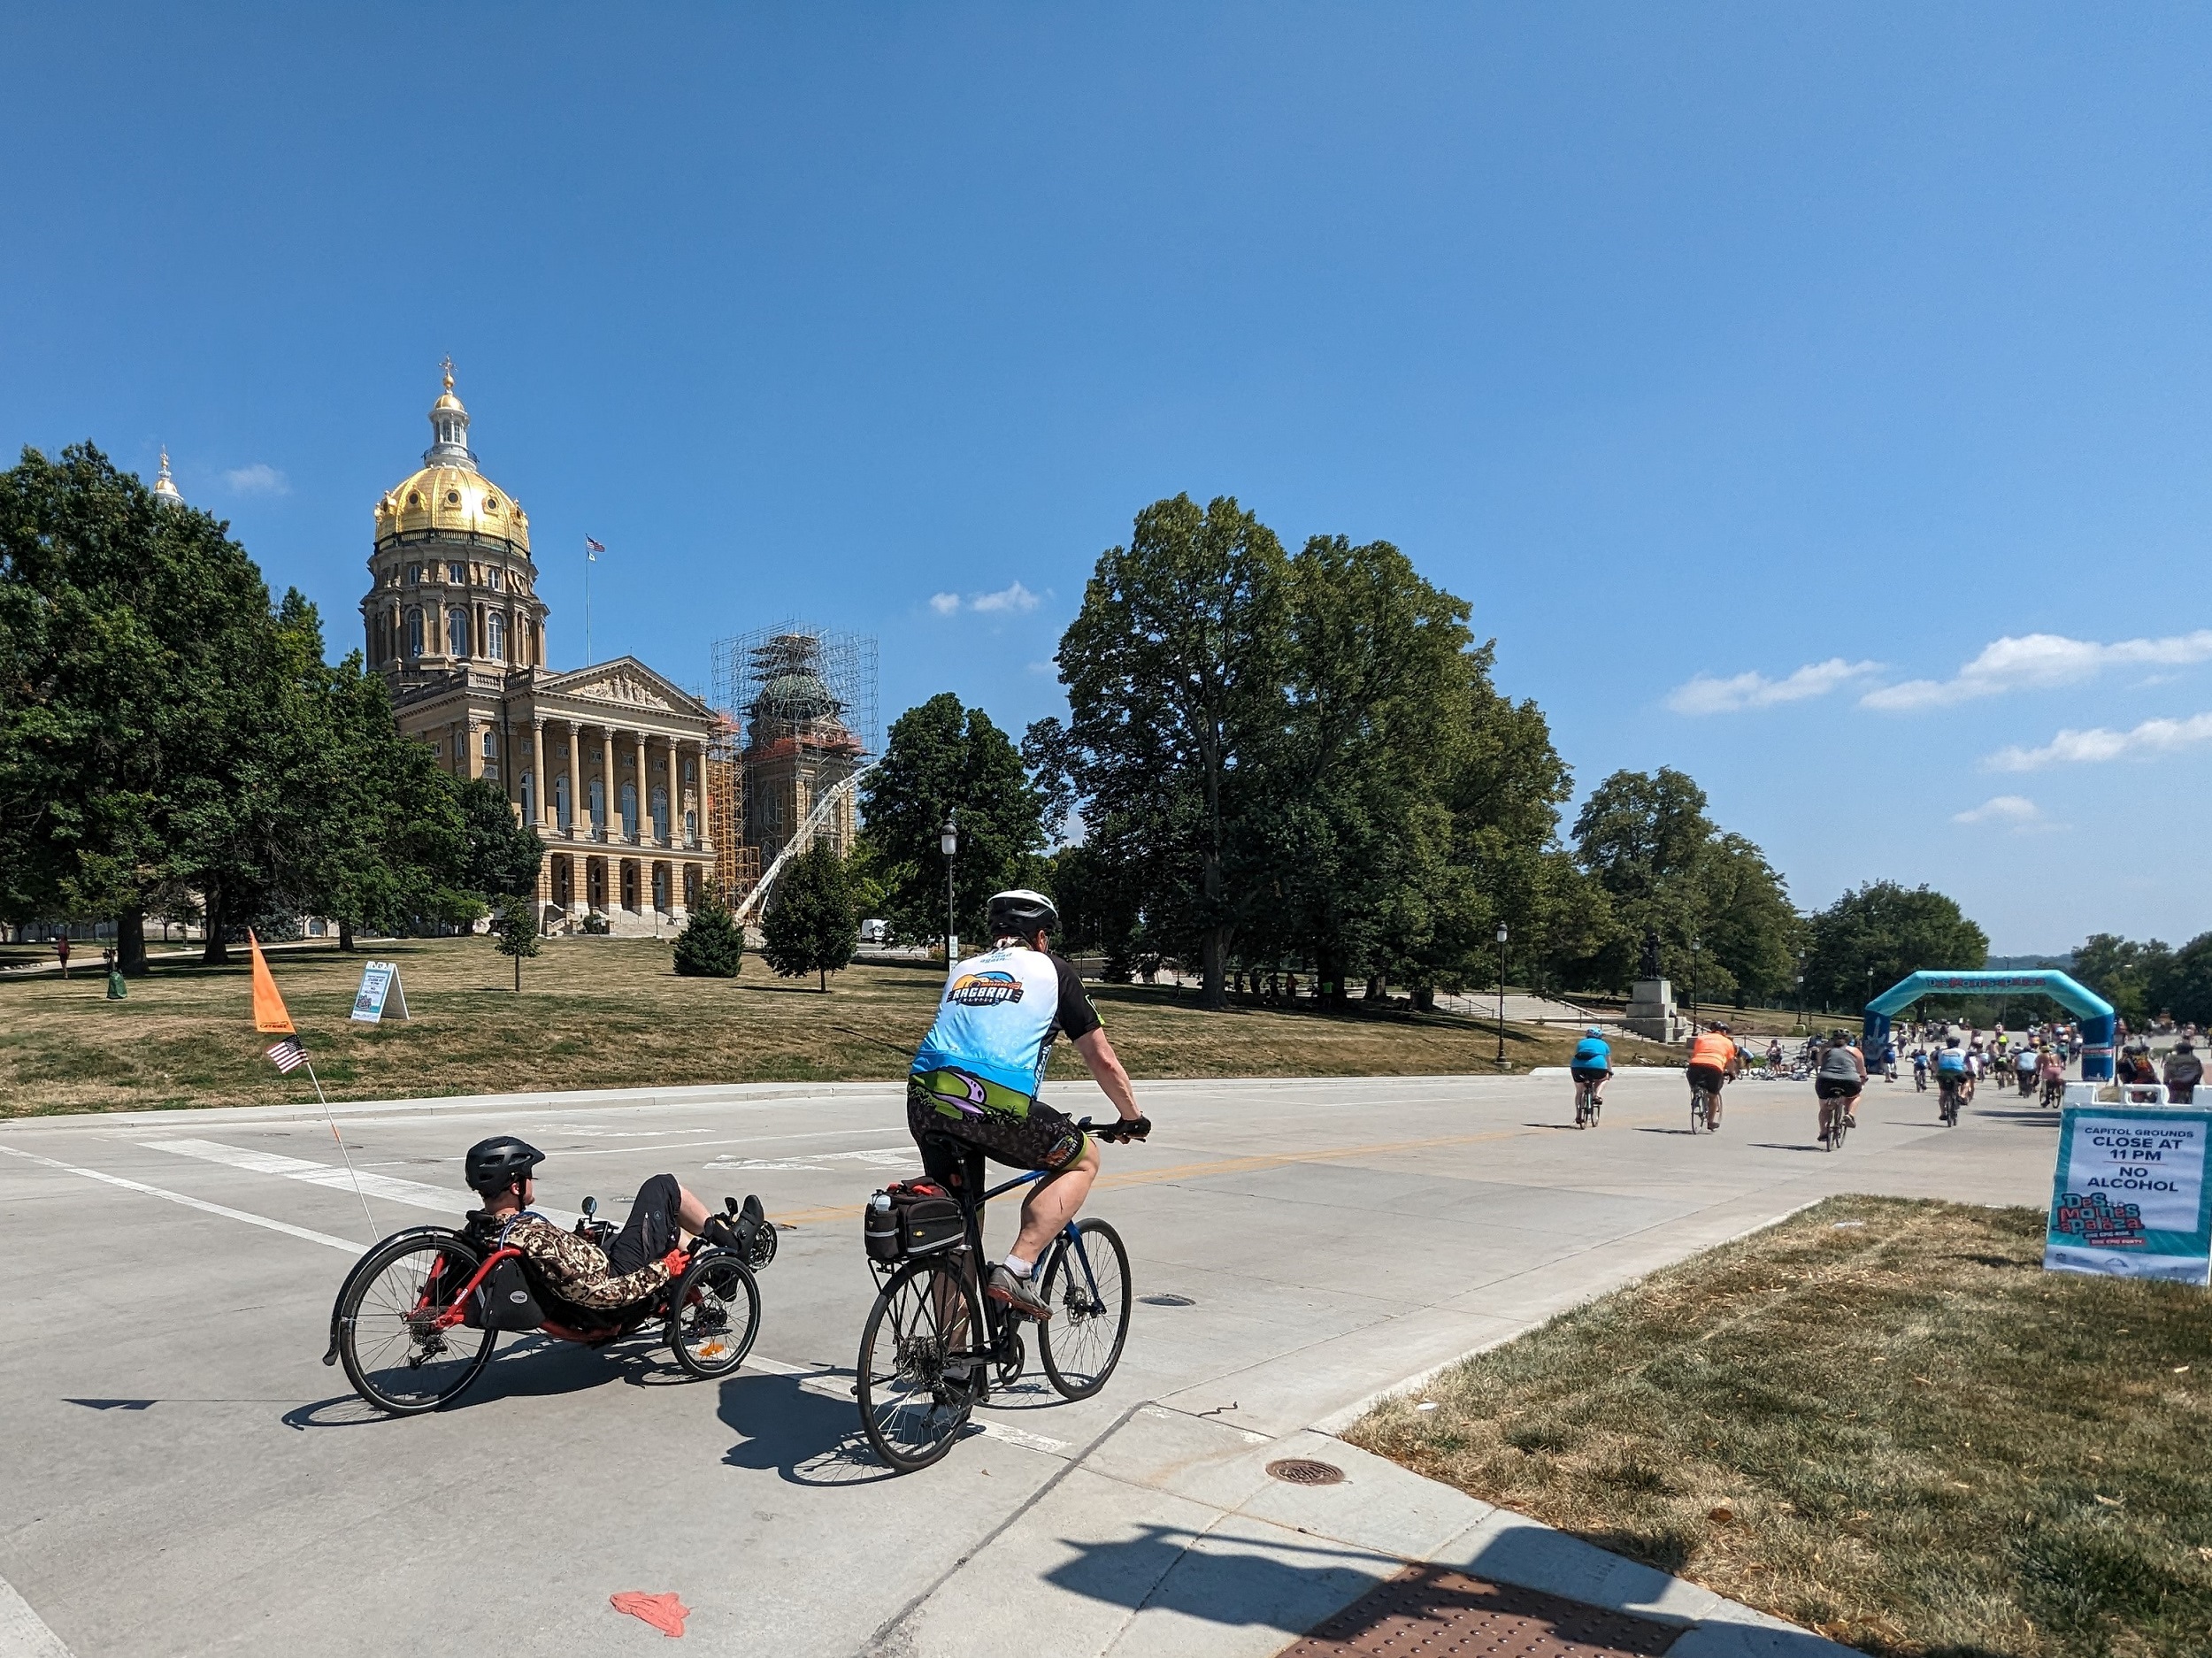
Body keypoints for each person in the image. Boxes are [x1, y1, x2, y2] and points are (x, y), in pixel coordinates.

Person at [907, 889, 1148, 1321]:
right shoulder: (1054, 971)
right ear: (1040, 937)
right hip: (994, 1105)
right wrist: (1133, 1117)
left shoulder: (963, 969)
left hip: (926, 1098)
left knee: (958, 1231)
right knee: (1083, 1158)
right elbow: (1103, 1059)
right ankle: (1017, 1269)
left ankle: (956, 1363)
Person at [459, 1137, 748, 1311]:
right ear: (515, 1187)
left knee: (660, 1227)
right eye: (528, 1176)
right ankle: (733, 1247)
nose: (532, 1181)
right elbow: (602, 1295)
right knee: (662, 1188)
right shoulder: (534, 1238)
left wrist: (578, 1241)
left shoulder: (487, 1228)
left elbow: (561, 1264)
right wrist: (664, 1269)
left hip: (598, 1259)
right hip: (616, 1271)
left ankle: (718, 1272)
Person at [1686, 1022, 1741, 1129]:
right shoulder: (1727, 1042)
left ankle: (1696, 1093)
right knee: (1713, 1096)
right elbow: (1730, 1062)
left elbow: (1696, 1052)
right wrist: (1732, 1073)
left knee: (1695, 1085)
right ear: (1723, 1031)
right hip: (1714, 1066)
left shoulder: (1701, 1038)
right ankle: (1710, 1122)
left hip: (1695, 1064)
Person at [1815, 1031, 1866, 1135]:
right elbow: (1861, 1069)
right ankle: (1850, 1114)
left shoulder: (1825, 1050)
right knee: (1855, 1096)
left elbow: (1819, 1063)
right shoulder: (1855, 1051)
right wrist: (1863, 1078)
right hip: (1849, 1080)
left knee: (1824, 1107)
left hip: (1826, 1079)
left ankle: (1823, 1131)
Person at [1571, 1025, 1612, 1115]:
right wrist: (1610, 1071)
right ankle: (1597, 1095)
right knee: (1605, 1078)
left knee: (1579, 1091)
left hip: (1577, 1067)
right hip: (1597, 1067)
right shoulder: (1604, 1044)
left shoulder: (1581, 1043)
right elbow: (1608, 1060)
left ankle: (1578, 1115)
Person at [2164, 1040, 2202, 1104]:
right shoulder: (2195, 1059)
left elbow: (2168, 1073)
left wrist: (2166, 1082)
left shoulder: (2172, 1059)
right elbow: (2200, 1072)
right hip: (2191, 1085)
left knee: (2171, 1102)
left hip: (2176, 1085)